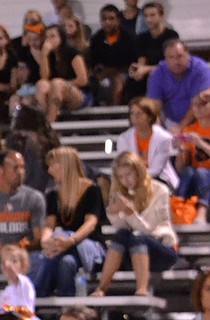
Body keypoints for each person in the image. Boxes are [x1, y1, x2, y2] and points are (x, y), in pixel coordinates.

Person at [93, 152, 177, 297]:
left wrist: (130, 213)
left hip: (161, 248)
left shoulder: (160, 190)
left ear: (138, 170)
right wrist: (114, 213)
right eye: (120, 177)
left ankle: (142, 288)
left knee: (137, 236)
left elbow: (149, 230)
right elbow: (123, 229)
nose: (125, 180)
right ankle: (101, 288)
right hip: (134, 250)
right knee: (121, 235)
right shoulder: (121, 193)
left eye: (128, 174)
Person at [31, 145, 106, 297]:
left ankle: (36, 296)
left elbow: (91, 223)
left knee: (59, 243)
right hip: (63, 248)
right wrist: (46, 240)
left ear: (65, 165)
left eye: (53, 165)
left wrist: (71, 240)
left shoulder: (92, 190)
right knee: (66, 264)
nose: (49, 171)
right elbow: (49, 224)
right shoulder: (53, 195)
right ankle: (66, 308)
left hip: (88, 244)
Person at [146, 39, 210, 130]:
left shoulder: (201, 69)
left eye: (179, 56)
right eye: (171, 57)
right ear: (165, 58)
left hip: (201, 120)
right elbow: (153, 105)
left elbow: (200, 102)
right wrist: (158, 130)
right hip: (170, 121)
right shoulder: (157, 73)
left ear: (187, 54)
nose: (176, 62)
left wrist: (181, 127)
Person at [116, 96, 179, 189]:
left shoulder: (164, 138)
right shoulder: (123, 138)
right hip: (130, 180)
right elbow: (124, 165)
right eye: (132, 114)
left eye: (139, 114)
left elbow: (155, 170)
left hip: (159, 179)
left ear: (149, 117)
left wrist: (136, 178)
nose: (135, 118)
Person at [35, 23, 90, 123]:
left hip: (78, 93)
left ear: (61, 37)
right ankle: (41, 121)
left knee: (56, 83)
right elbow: (44, 77)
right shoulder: (49, 55)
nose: (49, 40)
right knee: (41, 85)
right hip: (55, 92)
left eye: (52, 36)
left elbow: (83, 80)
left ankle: (49, 124)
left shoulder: (72, 53)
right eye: (46, 37)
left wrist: (63, 83)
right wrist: (43, 56)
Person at [88, 4, 136, 105]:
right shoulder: (96, 38)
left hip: (125, 73)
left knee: (117, 82)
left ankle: (114, 116)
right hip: (102, 74)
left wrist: (112, 71)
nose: (107, 22)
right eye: (104, 19)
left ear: (118, 20)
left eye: (111, 19)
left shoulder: (129, 37)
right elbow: (93, 62)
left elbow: (133, 64)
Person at [174, 87, 210, 223]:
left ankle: (202, 210)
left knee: (201, 172)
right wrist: (181, 151)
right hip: (196, 176)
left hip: (206, 174)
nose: (198, 109)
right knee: (189, 171)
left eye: (203, 105)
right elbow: (180, 168)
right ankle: (178, 207)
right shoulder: (189, 129)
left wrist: (200, 143)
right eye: (195, 105)